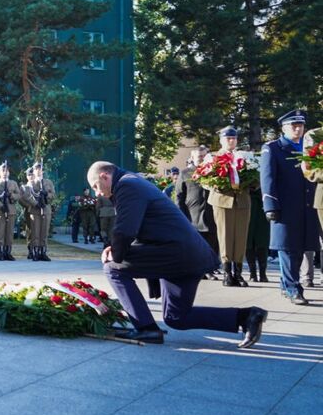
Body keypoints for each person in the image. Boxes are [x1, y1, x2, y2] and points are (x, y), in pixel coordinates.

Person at [87, 161, 267, 347]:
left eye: (95, 187)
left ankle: (146, 329)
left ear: (104, 176)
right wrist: (114, 247)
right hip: (186, 255)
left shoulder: (127, 185)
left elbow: (126, 229)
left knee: (113, 269)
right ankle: (247, 316)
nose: (97, 193)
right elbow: (141, 226)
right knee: (176, 317)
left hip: (176, 253)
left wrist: (115, 255)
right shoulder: (133, 182)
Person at [261, 110, 321, 304]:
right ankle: (293, 287)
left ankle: (286, 285)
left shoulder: (310, 147)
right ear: (284, 128)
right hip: (285, 207)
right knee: (288, 249)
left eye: (300, 125)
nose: (298, 128)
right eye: (293, 125)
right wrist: (270, 205)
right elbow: (268, 179)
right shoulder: (273, 148)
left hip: (307, 207)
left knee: (303, 248)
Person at [207, 127, 252, 287]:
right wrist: (218, 183)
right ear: (221, 140)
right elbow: (205, 181)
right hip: (222, 200)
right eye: (228, 138)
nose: (231, 141)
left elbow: (254, 175)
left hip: (242, 200)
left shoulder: (244, 156)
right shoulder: (213, 157)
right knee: (225, 236)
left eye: (234, 138)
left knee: (241, 237)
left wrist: (251, 182)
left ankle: (238, 272)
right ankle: (227, 272)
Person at [177, 147, 220, 280]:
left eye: (203, 156)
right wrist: (181, 215)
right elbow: (179, 195)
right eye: (198, 156)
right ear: (192, 158)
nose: (201, 159)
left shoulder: (214, 172)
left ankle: (210, 269)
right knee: (196, 245)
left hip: (211, 214)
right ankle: (198, 269)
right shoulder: (185, 173)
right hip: (193, 216)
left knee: (212, 243)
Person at [21, 162, 55, 261]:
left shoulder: (48, 182)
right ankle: (35, 252)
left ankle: (43, 252)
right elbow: (27, 195)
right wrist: (35, 203)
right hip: (35, 210)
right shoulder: (30, 183)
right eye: (36, 169)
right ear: (34, 171)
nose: (38, 171)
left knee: (44, 232)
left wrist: (46, 195)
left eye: (40, 169)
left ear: (42, 171)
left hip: (46, 209)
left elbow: (53, 194)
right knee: (35, 232)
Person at [0, 161, 21, 261]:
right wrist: (1, 206)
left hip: (10, 210)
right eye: (3, 170)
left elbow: (19, 195)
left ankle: (8, 252)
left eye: (6, 170)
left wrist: (12, 196)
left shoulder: (13, 183)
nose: (5, 172)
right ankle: (0, 251)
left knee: (9, 232)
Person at [303, 125, 323, 287]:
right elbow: (308, 169)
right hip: (316, 194)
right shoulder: (315, 135)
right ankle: (308, 275)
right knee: (312, 237)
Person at [246, 181, 270, 283]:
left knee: (262, 238)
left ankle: (263, 273)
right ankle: (252, 273)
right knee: (248, 239)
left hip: (263, 201)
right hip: (247, 200)